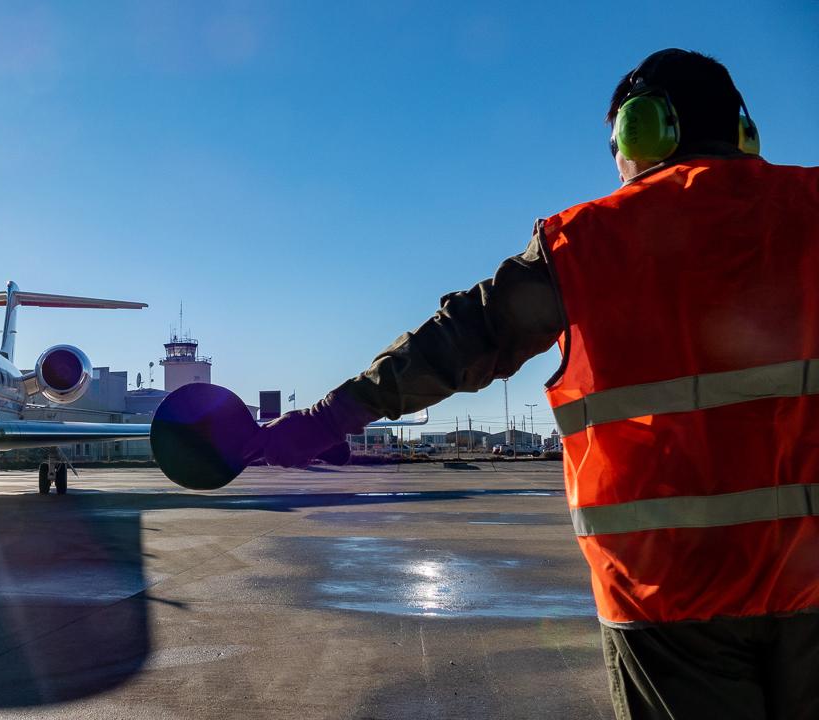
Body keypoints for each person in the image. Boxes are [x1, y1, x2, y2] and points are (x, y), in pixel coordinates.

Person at [260, 48, 819, 719]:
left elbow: (455, 341)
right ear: (743, 131)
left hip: (669, 598)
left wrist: (325, 419)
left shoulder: (586, 243)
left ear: (642, 130)